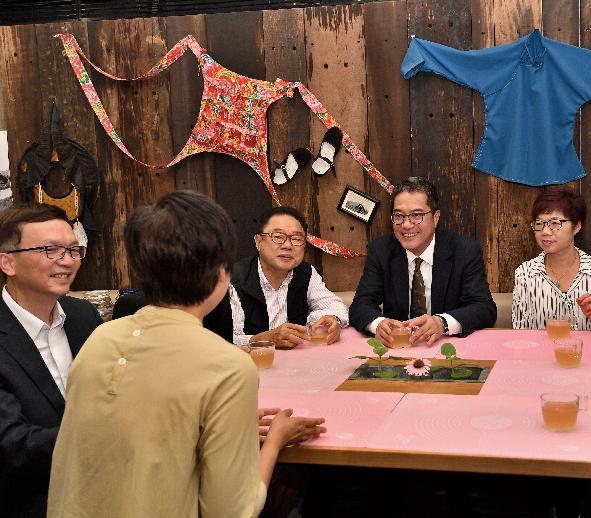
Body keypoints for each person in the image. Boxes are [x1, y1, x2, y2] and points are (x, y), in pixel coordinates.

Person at [48, 191, 326, 517]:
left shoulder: (99, 339)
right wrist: (276, 439)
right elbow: (233, 511)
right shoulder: (228, 366)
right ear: (222, 274)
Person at [0, 204, 102, 518]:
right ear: (8, 262)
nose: (68, 261)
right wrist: (110, 433)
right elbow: (11, 445)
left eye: (74, 249)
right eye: (50, 249)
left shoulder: (83, 317)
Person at [349, 177, 496, 347]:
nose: (406, 225)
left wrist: (442, 323)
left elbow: (484, 308)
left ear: (436, 217)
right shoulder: (381, 250)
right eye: (399, 216)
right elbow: (360, 305)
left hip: (449, 348)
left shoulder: (464, 250)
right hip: (398, 349)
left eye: (416, 215)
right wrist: (378, 324)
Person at [204, 206, 348, 349]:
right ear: (258, 242)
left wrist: (333, 318)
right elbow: (219, 338)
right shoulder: (232, 279)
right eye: (278, 237)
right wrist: (263, 339)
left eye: (297, 239)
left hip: (296, 363)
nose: (287, 245)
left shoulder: (305, 272)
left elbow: (334, 304)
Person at [512, 186, 591, 330]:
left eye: (555, 223)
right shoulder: (525, 274)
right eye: (539, 224)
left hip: (588, 352)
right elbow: (520, 334)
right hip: (542, 353)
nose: (545, 231)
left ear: (576, 226)